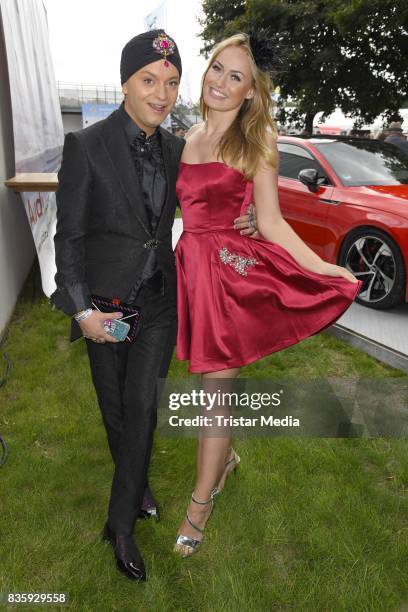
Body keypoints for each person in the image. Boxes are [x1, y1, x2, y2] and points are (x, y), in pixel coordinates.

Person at [173, 32, 364, 557]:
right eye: (217, 68)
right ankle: (226, 461)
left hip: (231, 282)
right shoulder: (187, 135)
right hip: (191, 274)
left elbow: (274, 224)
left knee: (215, 400)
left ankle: (199, 506)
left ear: (251, 93)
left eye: (236, 77)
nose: (220, 81)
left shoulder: (256, 144)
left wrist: (326, 266)